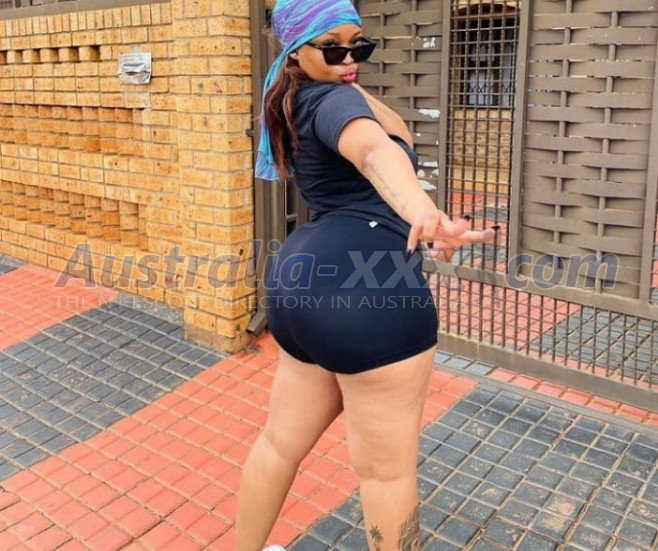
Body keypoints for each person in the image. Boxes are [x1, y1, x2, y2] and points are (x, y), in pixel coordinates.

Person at [236, 1, 495, 550]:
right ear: (295, 50)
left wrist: (339, 66)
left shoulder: (296, 96)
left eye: (360, 44)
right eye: (333, 48)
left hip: (300, 281)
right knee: (386, 475)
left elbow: (372, 131)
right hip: (367, 290)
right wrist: (421, 211)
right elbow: (374, 149)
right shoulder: (333, 101)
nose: (350, 58)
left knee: (279, 444)